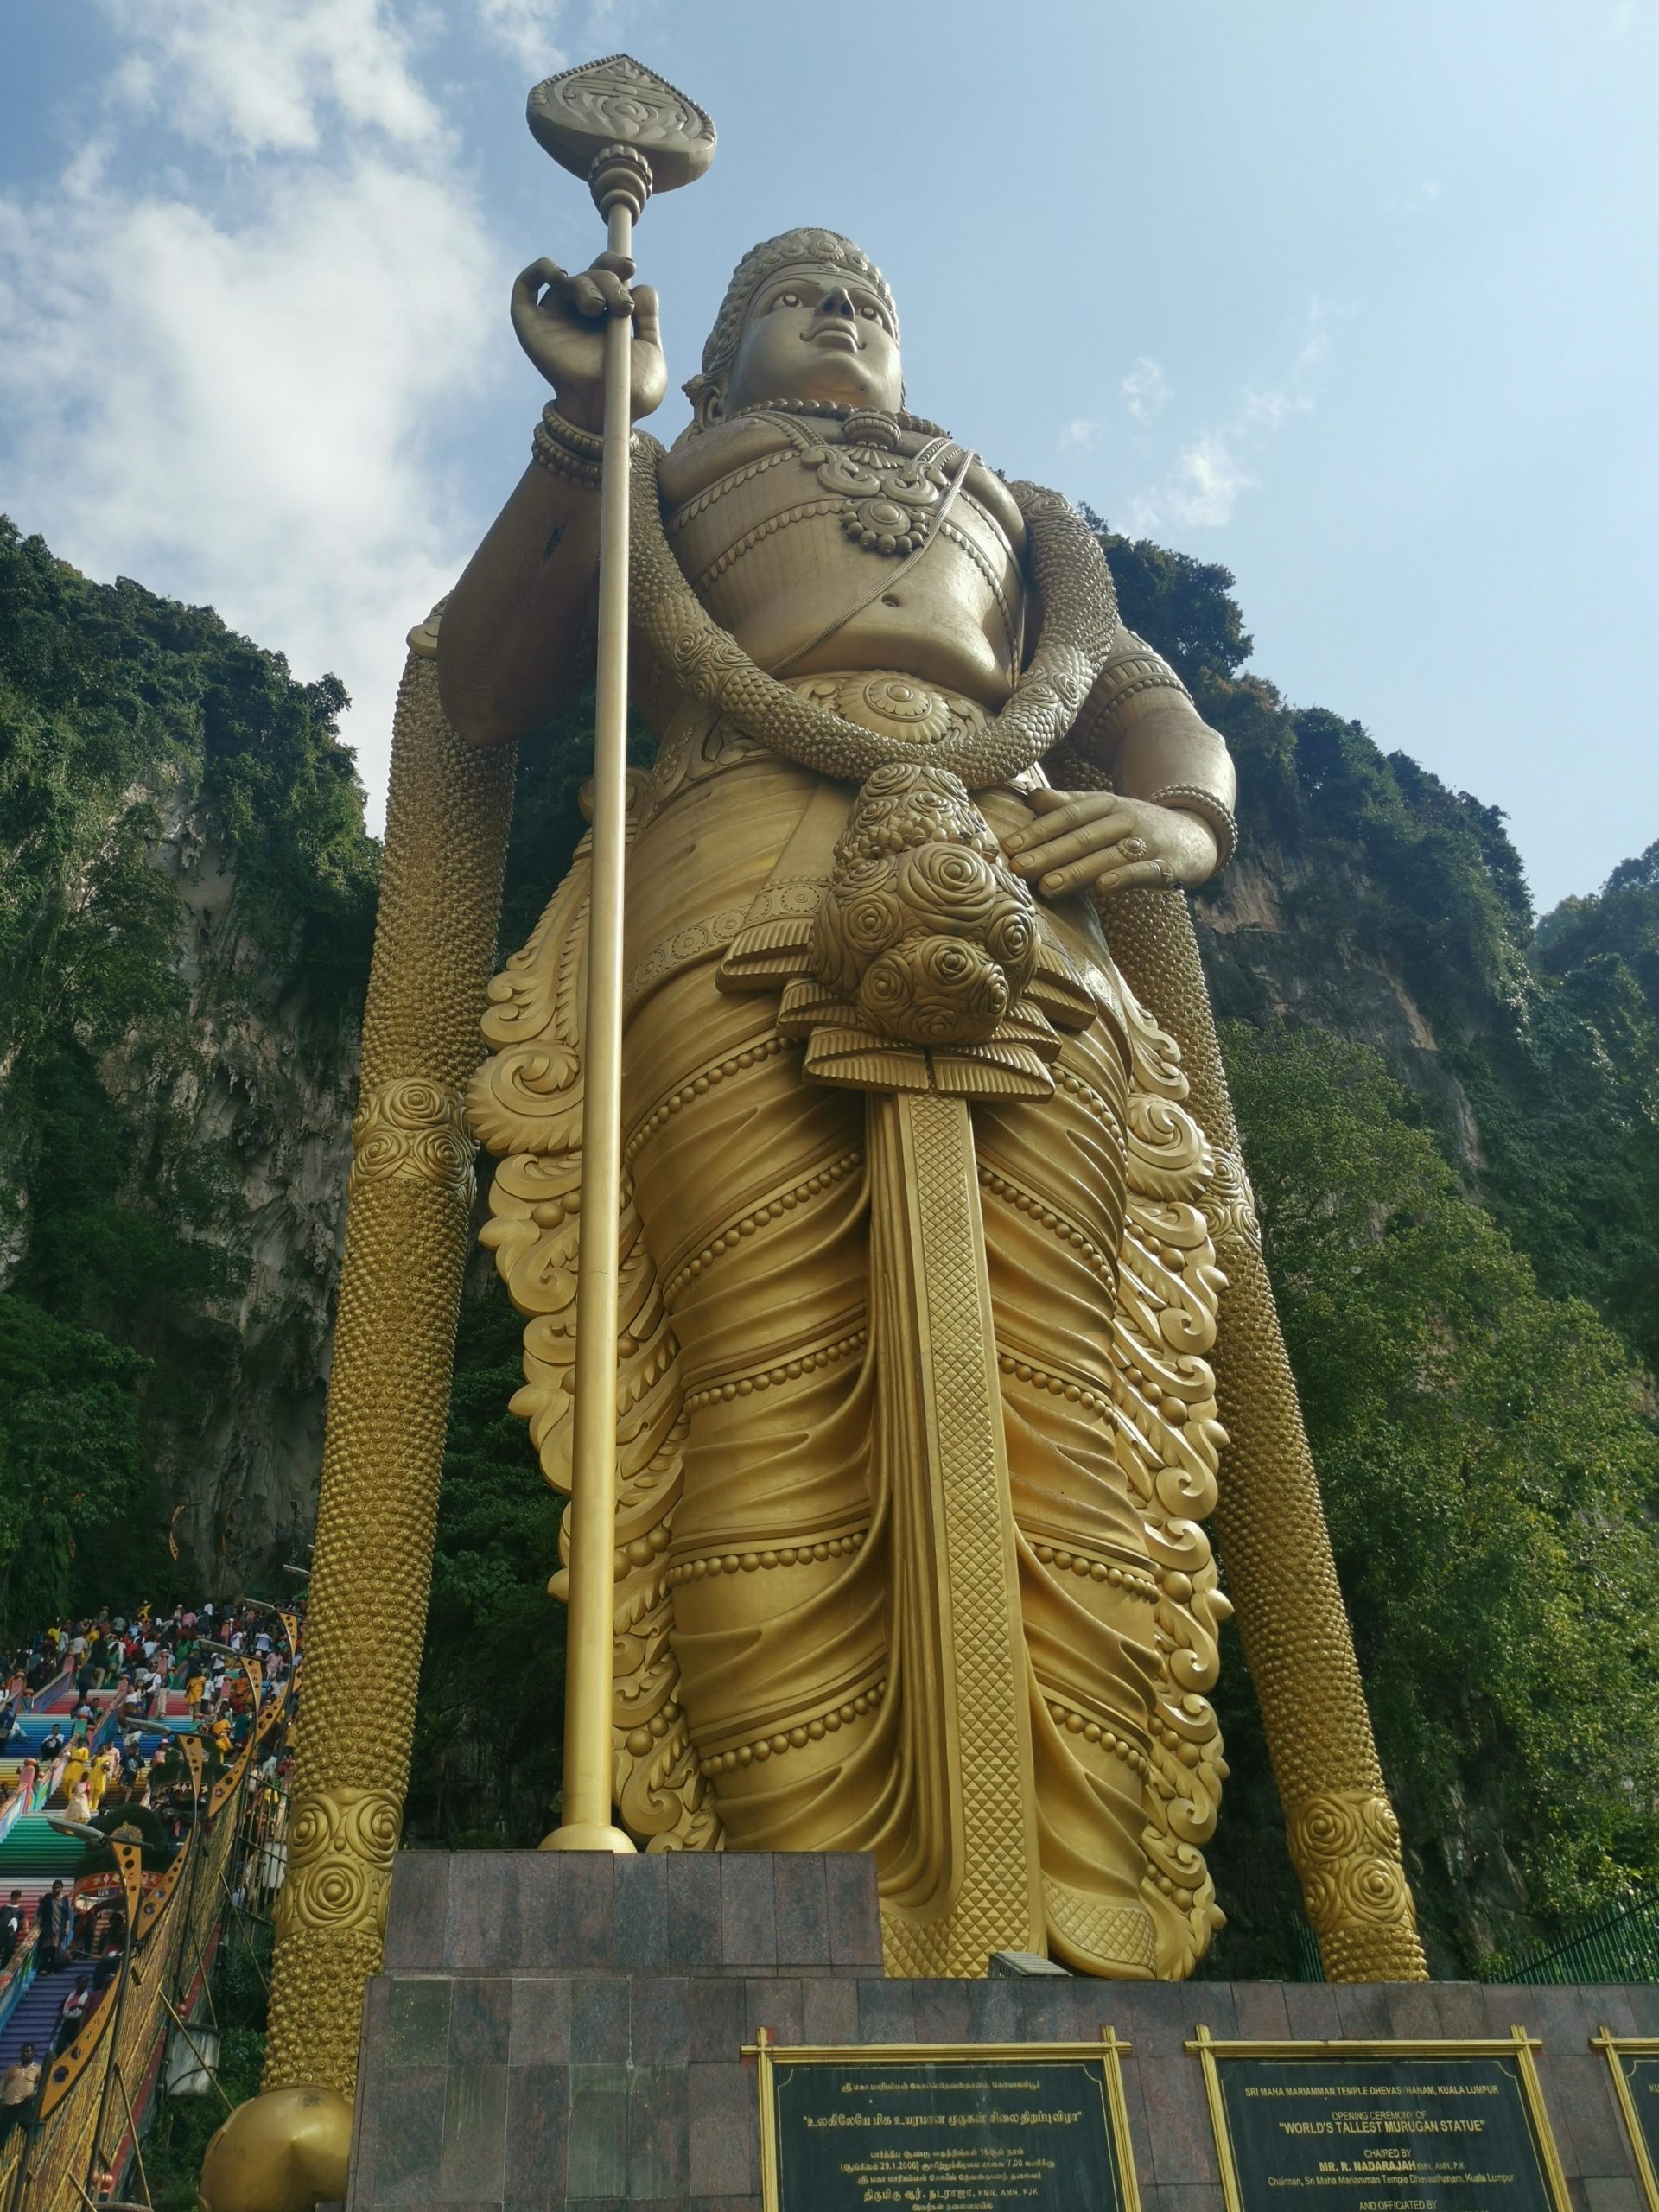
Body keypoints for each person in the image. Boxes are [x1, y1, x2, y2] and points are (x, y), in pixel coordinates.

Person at [442, 226, 1239, 1976]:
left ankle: (1080, 1910)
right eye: (795, 293)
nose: (845, 305)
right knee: (774, 1380)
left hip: (1029, 901)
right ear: (717, 360)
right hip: (737, 877)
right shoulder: (670, 477)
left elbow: (1150, 713)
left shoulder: (1018, 520)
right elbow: (486, 677)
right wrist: (591, 435)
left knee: (1063, 1395)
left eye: (870, 293)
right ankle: (827, 1911)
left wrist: (1180, 821)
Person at [0, 2044, 40, 2143]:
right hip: (9, 2103)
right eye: (24, 2052)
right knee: (3, 2129)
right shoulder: (13, 2068)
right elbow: (3, 2082)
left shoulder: (37, 2069)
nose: (26, 2054)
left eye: (28, 2051)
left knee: (26, 2127)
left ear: (33, 2053)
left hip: (24, 2104)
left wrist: (34, 2094)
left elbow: (42, 2084)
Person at [35, 1880, 73, 1972]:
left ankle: (53, 1969)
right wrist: (37, 1925)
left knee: (55, 1950)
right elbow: (41, 1912)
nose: (57, 1889)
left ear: (62, 1888)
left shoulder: (65, 1899)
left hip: (59, 1928)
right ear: (52, 1888)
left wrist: (67, 1927)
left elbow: (67, 1914)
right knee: (46, 1948)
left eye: (59, 1887)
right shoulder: (48, 1897)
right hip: (48, 1927)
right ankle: (44, 1969)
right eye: (55, 1887)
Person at [53, 1977, 92, 2055]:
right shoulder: (69, 1996)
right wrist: (54, 2029)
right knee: (60, 2047)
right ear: (76, 1983)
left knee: (75, 2049)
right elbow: (61, 2012)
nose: (82, 1984)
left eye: (84, 1982)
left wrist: (81, 2027)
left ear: (86, 1984)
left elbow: (85, 2012)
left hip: (78, 2024)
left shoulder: (88, 1997)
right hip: (67, 2024)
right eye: (80, 1982)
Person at [0, 1891, 24, 1971]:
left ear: (19, 1898)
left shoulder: (20, 1910)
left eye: (17, 1898)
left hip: (12, 1934)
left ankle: (4, 1967)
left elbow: (22, 1921)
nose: (15, 1899)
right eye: (13, 1897)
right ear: (11, 1897)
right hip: (1, 1933)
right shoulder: (4, 1908)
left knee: (9, 1950)